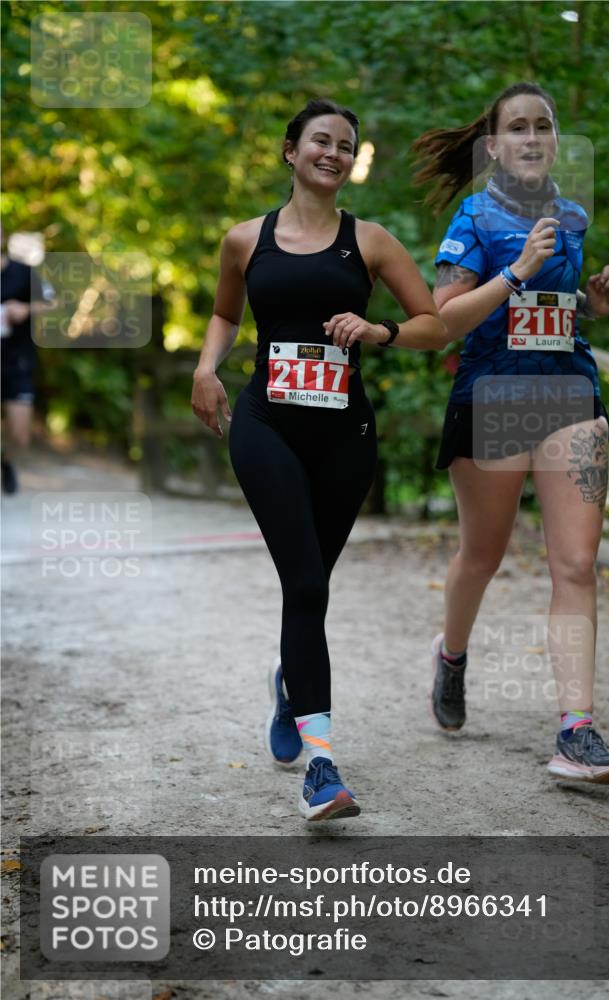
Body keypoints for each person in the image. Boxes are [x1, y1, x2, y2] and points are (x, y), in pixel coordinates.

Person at [192, 98, 445, 820]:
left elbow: (430, 324)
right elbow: (224, 313)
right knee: (304, 584)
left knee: (310, 587)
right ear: (289, 151)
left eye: (345, 145)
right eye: (320, 141)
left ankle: (288, 685)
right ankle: (323, 767)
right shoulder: (245, 239)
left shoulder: (370, 242)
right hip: (266, 425)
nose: (332, 153)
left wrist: (378, 329)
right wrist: (206, 367)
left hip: (343, 437)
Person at [413, 82, 609, 785]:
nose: (531, 137)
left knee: (573, 563)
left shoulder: (569, 215)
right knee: (483, 553)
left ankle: (576, 730)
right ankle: (451, 657)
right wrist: (517, 269)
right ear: (495, 146)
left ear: (555, 141)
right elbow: (444, 318)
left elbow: (552, 312)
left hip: (567, 391)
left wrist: (587, 307)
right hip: (494, 394)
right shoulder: (474, 215)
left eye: (543, 125)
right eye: (517, 127)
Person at [1, 224, 54, 494]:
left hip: (16, 361)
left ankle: (6, 461)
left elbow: (54, 302)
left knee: (20, 434)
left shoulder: (23, 272)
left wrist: (25, 308)